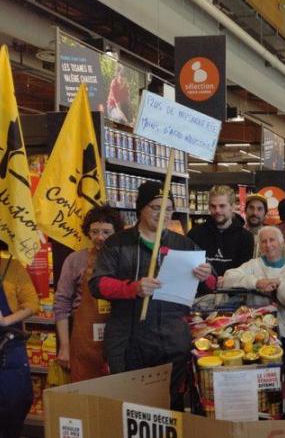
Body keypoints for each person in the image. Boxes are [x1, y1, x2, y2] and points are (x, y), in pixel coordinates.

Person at [89, 181, 214, 410]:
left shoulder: (184, 244)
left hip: (171, 340)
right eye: (156, 207)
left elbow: (212, 284)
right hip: (127, 342)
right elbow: (97, 285)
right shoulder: (117, 243)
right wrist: (132, 288)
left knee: (170, 405)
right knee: (131, 408)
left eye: (168, 209)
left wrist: (205, 275)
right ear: (140, 210)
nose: (163, 214)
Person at [220, 226, 285, 418]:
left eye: (272, 240)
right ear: (259, 246)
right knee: (264, 376)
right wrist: (256, 282)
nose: (269, 245)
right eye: (264, 241)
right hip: (260, 334)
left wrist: (279, 285)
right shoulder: (253, 265)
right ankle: (265, 412)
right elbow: (229, 278)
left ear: (281, 242)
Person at [54, 205, 124, 382]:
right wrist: (64, 347)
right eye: (94, 232)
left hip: (119, 340)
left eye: (106, 232)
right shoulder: (75, 260)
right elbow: (61, 305)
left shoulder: (125, 259)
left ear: (117, 232)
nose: (99, 237)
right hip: (84, 343)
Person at [0, 247, 39, 438]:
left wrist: (6, 320)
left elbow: (32, 303)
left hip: (9, 346)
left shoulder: (12, 267)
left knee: (17, 401)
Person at [187, 185, 254, 294]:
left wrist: (228, 279)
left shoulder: (245, 237)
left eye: (222, 206)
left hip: (232, 298)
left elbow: (245, 271)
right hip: (200, 297)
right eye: (213, 206)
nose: (217, 210)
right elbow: (188, 267)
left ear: (232, 207)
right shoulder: (195, 234)